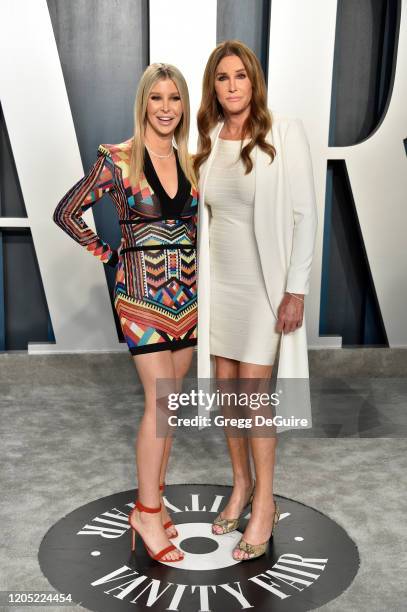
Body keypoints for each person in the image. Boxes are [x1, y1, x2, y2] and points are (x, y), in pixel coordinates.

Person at [53, 63, 199, 562]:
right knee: (158, 404)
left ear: (183, 105)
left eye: (174, 98)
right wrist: (107, 253)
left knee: (171, 406)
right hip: (140, 298)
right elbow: (67, 211)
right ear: (144, 103)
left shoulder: (193, 161)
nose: (165, 107)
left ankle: (156, 505)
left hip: (189, 300)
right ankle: (145, 511)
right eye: (156, 98)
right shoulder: (116, 159)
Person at [195, 40, 317, 561]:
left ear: (254, 82)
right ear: (214, 87)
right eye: (222, 78)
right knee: (228, 397)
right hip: (218, 286)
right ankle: (240, 486)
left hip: (264, 288)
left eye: (240, 76)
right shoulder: (207, 138)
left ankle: (264, 503)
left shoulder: (283, 133)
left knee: (253, 397)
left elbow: (304, 215)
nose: (232, 86)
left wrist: (296, 289)